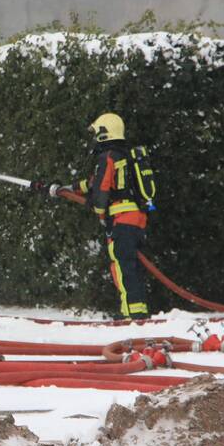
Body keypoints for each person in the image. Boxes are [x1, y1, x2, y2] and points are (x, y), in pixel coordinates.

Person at [32, 113, 150, 321]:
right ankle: (137, 310)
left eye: (96, 133)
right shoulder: (123, 156)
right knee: (130, 265)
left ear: (104, 133)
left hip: (121, 218)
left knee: (122, 266)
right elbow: (93, 183)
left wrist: (99, 211)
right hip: (136, 218)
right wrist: (65, 189)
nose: (94, 138)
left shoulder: (108, 157)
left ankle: (131, 314)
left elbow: (101, 191)